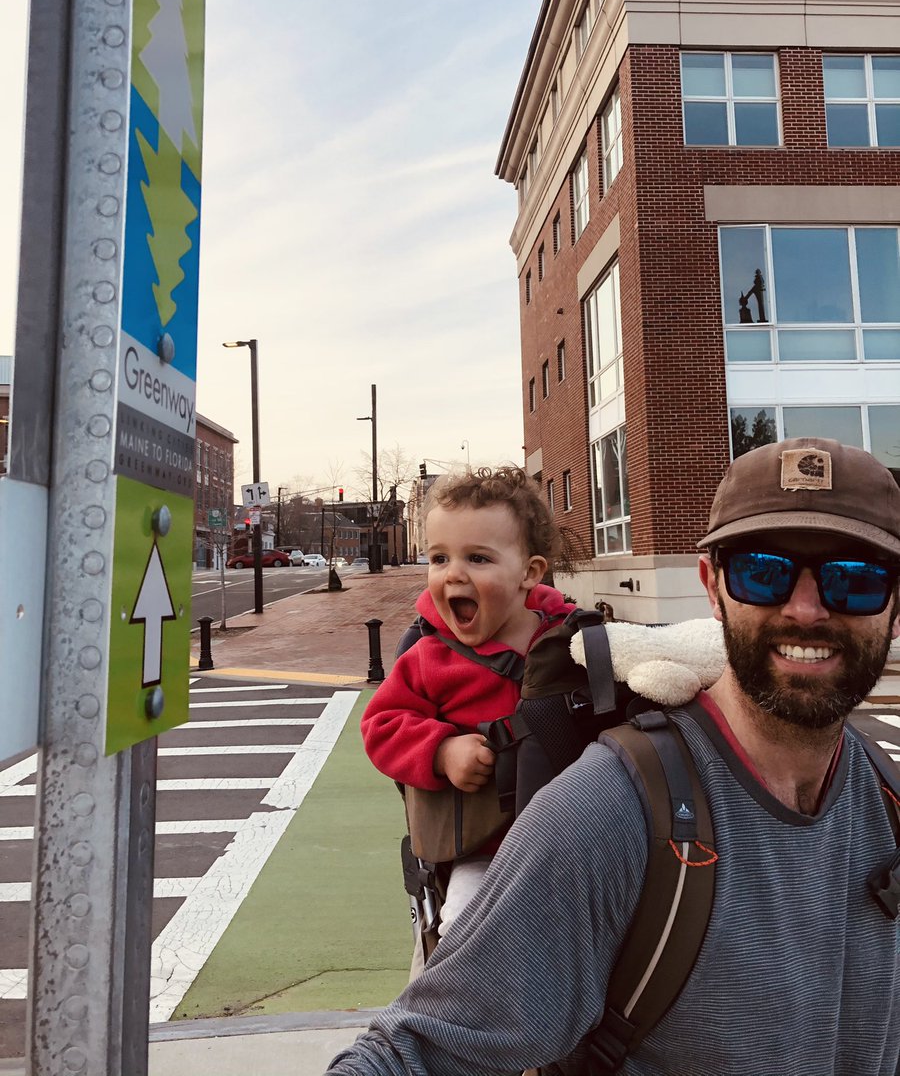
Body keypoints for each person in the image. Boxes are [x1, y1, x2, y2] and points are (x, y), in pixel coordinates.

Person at [329, 437, 900, 1075]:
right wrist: (439, 749)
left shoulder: (888, 804)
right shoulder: (607, 814)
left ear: (896, 604)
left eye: (856, 579)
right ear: (712, 588)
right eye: (761, 572)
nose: (805, 608)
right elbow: (419, 1055)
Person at [361, 466, 572, 947]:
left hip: (573, 840)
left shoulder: (570, 638)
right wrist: (441, 751)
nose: (453, 573)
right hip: (483, 847)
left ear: (529, 573)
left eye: (477, 558)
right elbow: (381, 726)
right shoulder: (430, 658)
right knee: (467, 932)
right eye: (439, 558)